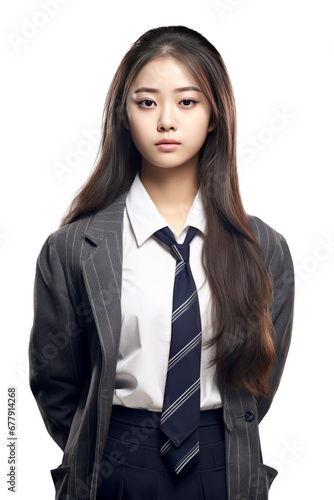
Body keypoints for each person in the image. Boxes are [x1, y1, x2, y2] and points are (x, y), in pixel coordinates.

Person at [28, 25, 295, 500]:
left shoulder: (264, 248)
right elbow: (56, 383)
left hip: (221, 466)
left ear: (215, 116)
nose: (166, 121)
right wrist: (96, 452)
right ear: (124, 116)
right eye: (147, 102)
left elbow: (260, 384)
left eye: (187, 102)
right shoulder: (71, 248)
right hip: (114, 465)